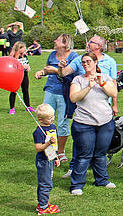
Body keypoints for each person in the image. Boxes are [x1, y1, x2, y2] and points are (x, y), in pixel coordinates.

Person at [68, 53, 117, 195]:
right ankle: (76, 184)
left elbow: (113, 93)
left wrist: (101, 83)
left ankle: (102, 180)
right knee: (84, 155)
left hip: (105, 122)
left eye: (88, 61)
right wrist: (89, 87)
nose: (85, 64)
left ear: (96, 62)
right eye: (83, 62)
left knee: (101, 154)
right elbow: (73, 98)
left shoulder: (105, 78)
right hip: (84, 123)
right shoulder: (78, 79)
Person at [34, 34, 80, 164]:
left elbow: (71, 74)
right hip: (50, 90)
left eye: (57, 40)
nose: (54, 41)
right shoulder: (52, 55)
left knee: (62, 122)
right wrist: (41, 73)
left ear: (65, 44)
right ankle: (47, 149)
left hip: (64, 93)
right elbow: (48, 69)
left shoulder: (73, 57)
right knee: (45, 118)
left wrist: (55, 70)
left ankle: (60, 151)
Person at [60, 35, 118, 115]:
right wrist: (61, 67)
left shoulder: (110, 61)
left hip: (103, 103)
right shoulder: (80, 59)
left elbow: (113, 84)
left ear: (98, 46)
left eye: (91, 42)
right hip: (84, 104)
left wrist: (114, 105)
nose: (87, 43)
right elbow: (64, 73)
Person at [33, 104, 61, 214]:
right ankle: (43, 207)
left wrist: (56, 157)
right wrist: (48, 143)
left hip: (51, 159)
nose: (52, 119)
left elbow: (54, 146)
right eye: (49, 118)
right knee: (45, 183)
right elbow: (38, 148)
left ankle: (43, 203)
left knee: (48, 181)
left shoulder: (52, 127)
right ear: (40, 119)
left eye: (53, 116)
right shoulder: (39, 132)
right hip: (43, 161)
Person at [8, 42, 33, 115]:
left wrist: (28, 67)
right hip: (16, 76)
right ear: (19, 48)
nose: (25, 49)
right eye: (24, 48)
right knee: (13, 91)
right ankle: (12, 108)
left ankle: (28, 106)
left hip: (25, 75)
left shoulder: (24, 55)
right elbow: (12, 67)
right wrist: (22, 67)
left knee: (25, 91)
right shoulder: (13, 57)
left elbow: (27, 63)